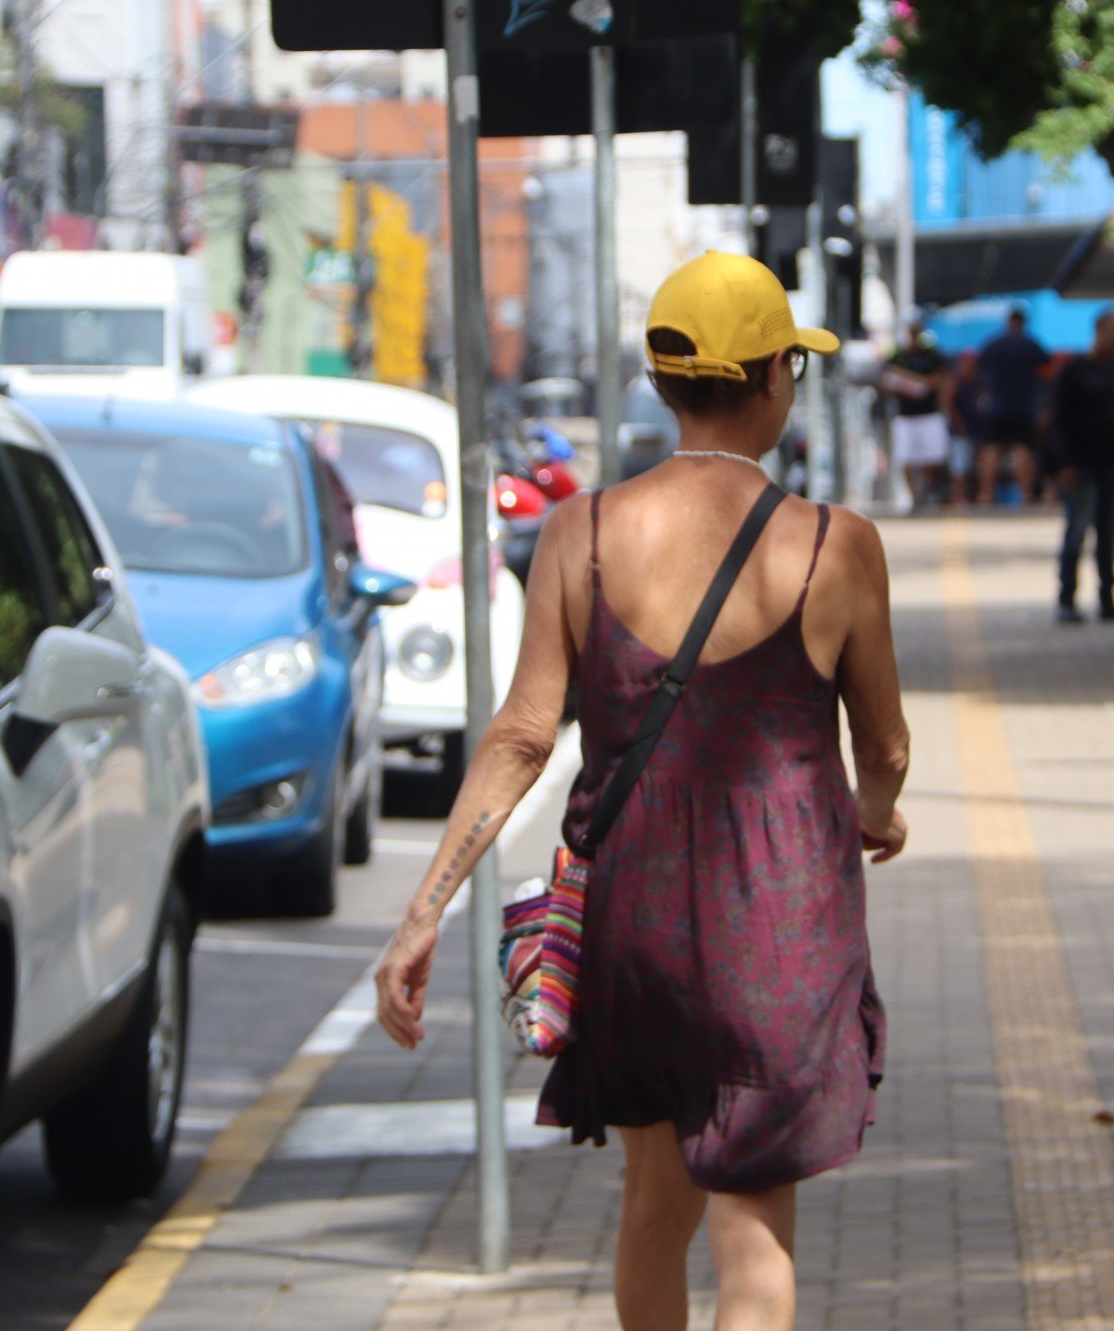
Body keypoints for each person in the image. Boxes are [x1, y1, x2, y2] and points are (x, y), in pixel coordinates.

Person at [373, 250, 910, 1331]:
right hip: (780, 926)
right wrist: (875, 814)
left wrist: (423, 912)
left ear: (665, 385)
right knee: (753, 1235)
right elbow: (884, 743)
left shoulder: (581, 534)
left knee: (652, 1204)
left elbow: (525, 737)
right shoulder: (836, 547)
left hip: (639, 924)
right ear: (771, 381)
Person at [1050, 307, 1114, 624]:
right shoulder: (1074, 370)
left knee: (1109, 536)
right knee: (1076, 533)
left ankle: (1108, 598)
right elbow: (1058, 421)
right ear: (1099, 328)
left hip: (1112, 464)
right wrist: (1066, 464)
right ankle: (1067, 600)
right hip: (1081, 466)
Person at [974, 307, 1045, 505]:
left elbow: (978, 369)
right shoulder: (1030, 344)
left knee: (991, 449)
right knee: (1022, 448)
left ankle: (985, 494)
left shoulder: (994, 344)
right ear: (1022, 323)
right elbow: (1045, 369)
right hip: (1023, 406)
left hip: (996, 405)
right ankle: (1026, 494)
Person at [882, 318, 951, 509]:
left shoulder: (932, 354)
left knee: (933, 455)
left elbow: (942, 378)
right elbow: (887, 379)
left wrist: (923, 383)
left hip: (929, 412)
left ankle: (925, 489)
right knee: (905, 456)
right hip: (905, 414)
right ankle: (913, 496)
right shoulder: (899, 355)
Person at [944, 349, 983, 507]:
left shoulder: (976, 382)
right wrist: (958, 424)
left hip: (974, 429)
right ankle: (958, 496)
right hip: (959, 431)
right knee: (959, 465)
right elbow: (947, 404)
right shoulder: (955, 381)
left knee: (970, 465)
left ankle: (968, 496)